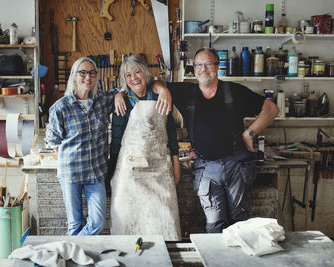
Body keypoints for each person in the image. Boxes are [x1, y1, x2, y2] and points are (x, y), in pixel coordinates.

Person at [153, 48, 279, 233]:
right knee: (214, 224)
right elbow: (154, 82)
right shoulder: (186, 92)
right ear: (193, 69)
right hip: (207, 168)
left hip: (237, 165)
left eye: (208, 64)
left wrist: (249, 133)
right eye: (198, 65)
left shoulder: (234, 91)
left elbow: (271, 109)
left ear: (217, 66)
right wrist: (164, 90)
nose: (203, 69)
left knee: (239, 223)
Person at [46, 57, 172, 236]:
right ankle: (75, 257)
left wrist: (119, 95)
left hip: (96, 172)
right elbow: (53, 141)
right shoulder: (60, 108)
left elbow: (127, 88)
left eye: (92, 73)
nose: (87, 77)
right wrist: (69, 159)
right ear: (74, 76)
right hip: (71, 173)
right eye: (82, 72)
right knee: (74, 225)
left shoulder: (103, 100)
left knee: (97, 224)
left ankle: (70, 246)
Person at [109, 55, 181, 241]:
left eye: (137, 71)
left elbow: (171, 135)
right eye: (128, 75)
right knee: (130, 221)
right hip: (130, 171)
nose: (134, 78)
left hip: (159, 169)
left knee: (164, 219)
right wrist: (112, 174)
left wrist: (176, 163)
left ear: (145, 73)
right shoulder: (122, 101)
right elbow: (116, 141)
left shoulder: (160, 96)